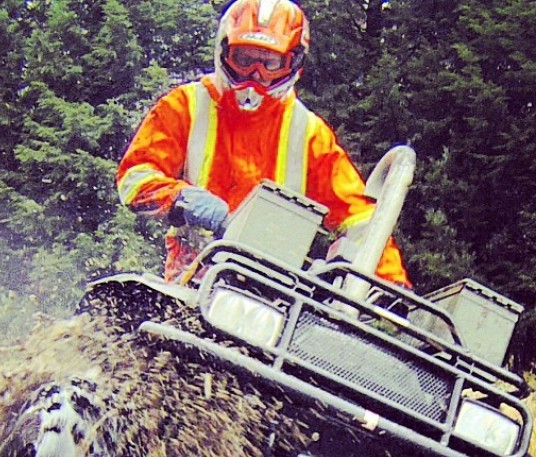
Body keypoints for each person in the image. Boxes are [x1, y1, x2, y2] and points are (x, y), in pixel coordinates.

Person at [116, 0, 411, 287]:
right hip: (190, 275)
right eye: (245, 59)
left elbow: (357, 214)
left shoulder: (308, 133)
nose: (256, 74)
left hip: (273, 288)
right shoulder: (186, 105)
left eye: (270, 62)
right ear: (225, 52)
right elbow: (135, 176)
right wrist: (185, 200)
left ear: (292, 61)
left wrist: (390, 283)